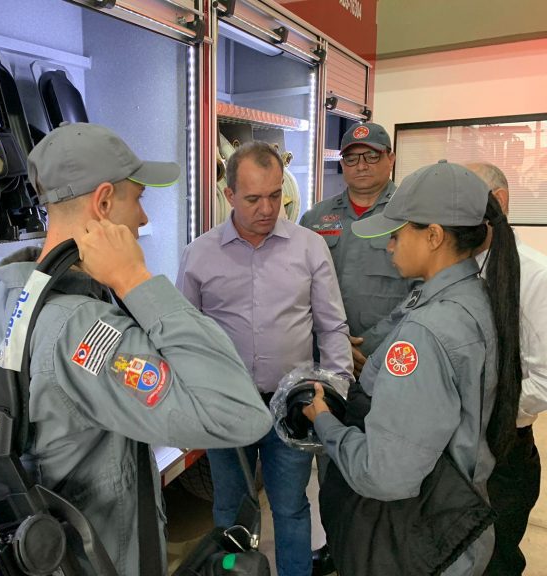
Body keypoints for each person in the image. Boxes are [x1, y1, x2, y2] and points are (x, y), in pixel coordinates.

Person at [0, 122, 273, 576]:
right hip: (103, 561)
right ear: (102, 203)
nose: (141, 218)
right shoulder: (84, 330)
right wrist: (136, 280)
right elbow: (240, 414)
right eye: (136, 199)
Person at [303, 160, 522, 575]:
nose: (388, 246)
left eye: (397, 234)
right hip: (453, 523)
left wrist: (325, 422)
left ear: (434, 236)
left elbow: (384, 475)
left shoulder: (427, 331)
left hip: (419, 541)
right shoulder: (472, 296)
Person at [176, 141, 353, 576]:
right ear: (229, 194)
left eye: (275, 195)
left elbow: (333, 327)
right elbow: (184, 337)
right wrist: (187, 406)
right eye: (254, 198)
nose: (267, 208)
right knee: (231, 511)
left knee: (291, 508)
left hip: (292, 407)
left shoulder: (309, 248)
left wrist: (332, 390)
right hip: (227, 408)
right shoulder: (200, 254)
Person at [466, 162, 547, 576]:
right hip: (456, 447)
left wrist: (489, 408)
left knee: (496, 559)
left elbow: (546, 381)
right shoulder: (456, 268)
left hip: (506, 450)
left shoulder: (533, 275)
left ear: (497, 202)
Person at [300, 122, 415, 377]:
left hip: (388, 355)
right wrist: (334, 342)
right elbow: (298, 288)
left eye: (372, 156)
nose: (361, 166)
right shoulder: (315, 217)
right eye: (351, 159)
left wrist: (373, 342)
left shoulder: (411, 216)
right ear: (342, 164)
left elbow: (423, 291)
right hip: (323, 356)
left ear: (391, 158)